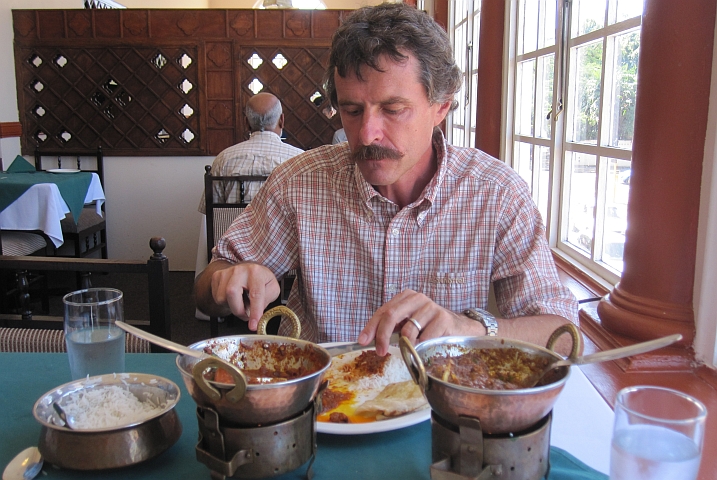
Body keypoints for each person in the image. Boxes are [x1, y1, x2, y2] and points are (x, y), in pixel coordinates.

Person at [196, 3, 578, 355]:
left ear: (441, 106)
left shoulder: (496, 193)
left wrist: (469, 328)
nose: (366, 134)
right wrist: (228, 281)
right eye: (351, 110)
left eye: (393, 110)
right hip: (322, 406)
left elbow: (562, 333)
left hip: (438, 411)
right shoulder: (299, 183)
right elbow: (205, 287)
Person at [197, 92, 304, 214]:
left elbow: (209, 212)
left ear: (246, 123)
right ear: (282, 120)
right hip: (283, 233)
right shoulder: (299, 159)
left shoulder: (224, 158)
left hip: (234, 232)